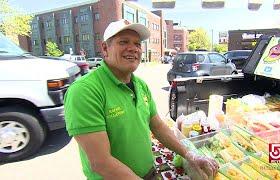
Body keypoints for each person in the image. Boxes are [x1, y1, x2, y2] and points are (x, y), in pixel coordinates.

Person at [64, 19, 219, 180]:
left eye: (137, 44)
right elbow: (101, 163)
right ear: (105, 48)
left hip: (148, 173)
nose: (133, 48)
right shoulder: (84, 91)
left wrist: (189, 155)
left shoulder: (140, 85)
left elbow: (158, 126)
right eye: (123, 42)